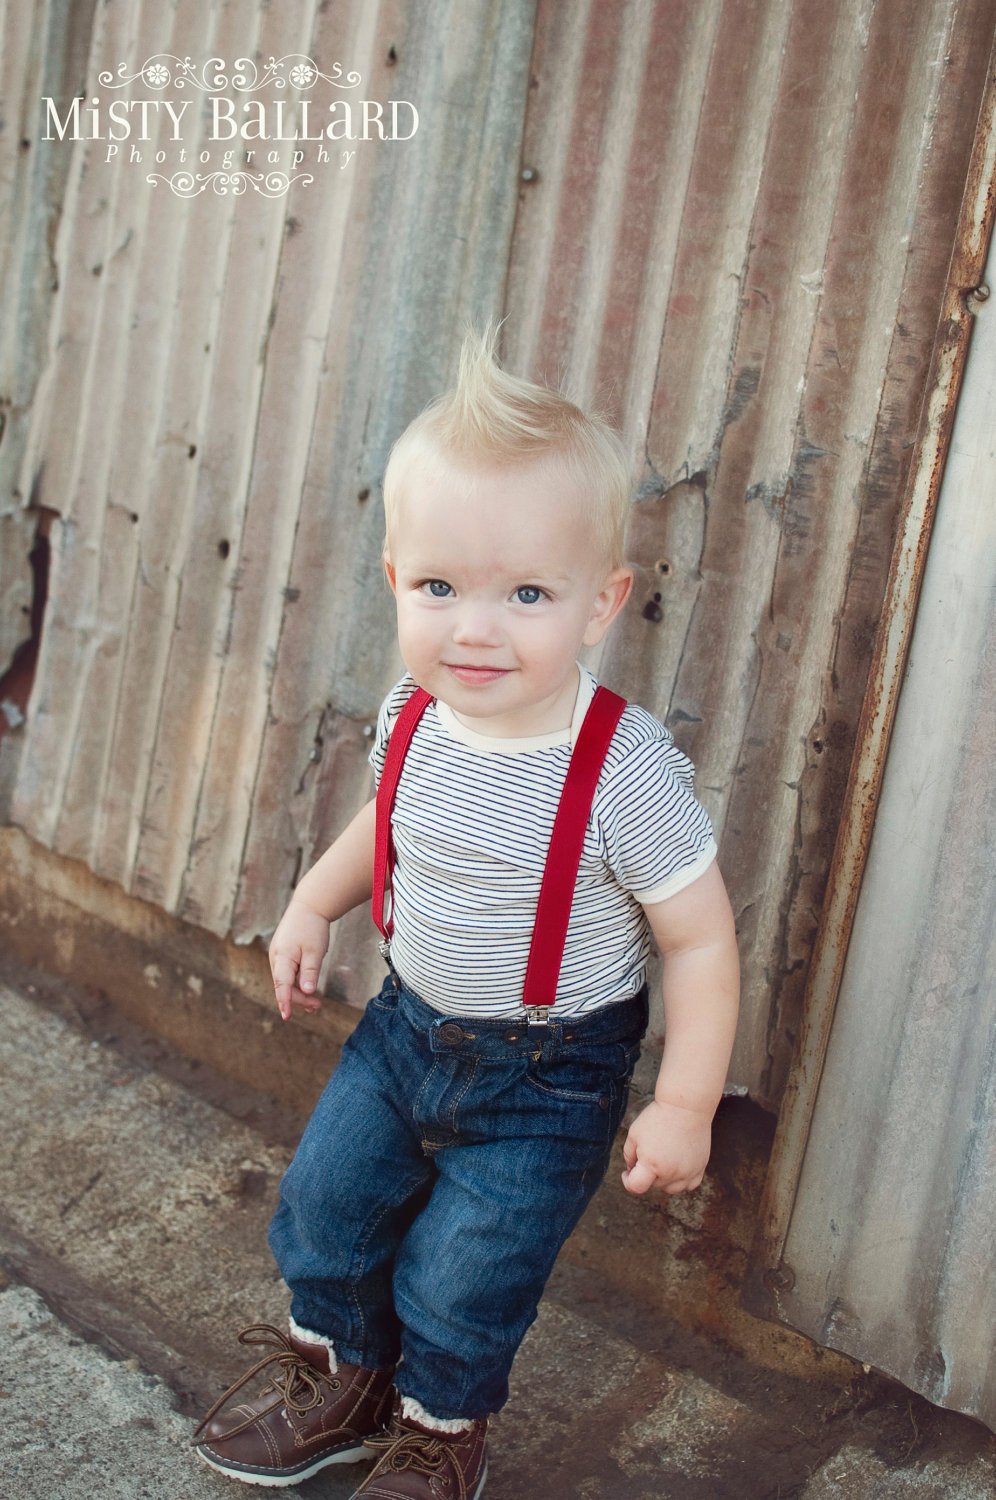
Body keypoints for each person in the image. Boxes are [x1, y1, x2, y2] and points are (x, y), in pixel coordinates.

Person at [193, 326, 740, 1496]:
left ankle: (440, 1435)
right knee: (325, 1209)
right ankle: (339, 1378)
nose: (476, 627)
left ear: (602, 604)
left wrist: (685, 1100)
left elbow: (697, 939)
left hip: (547, 1080)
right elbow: (380, 824)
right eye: (441, 588)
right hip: (403, 1032)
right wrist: (310, 905)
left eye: (526, 593)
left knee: (467, 1272)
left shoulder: (620, 769)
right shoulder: (416, 708)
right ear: (395, 579)